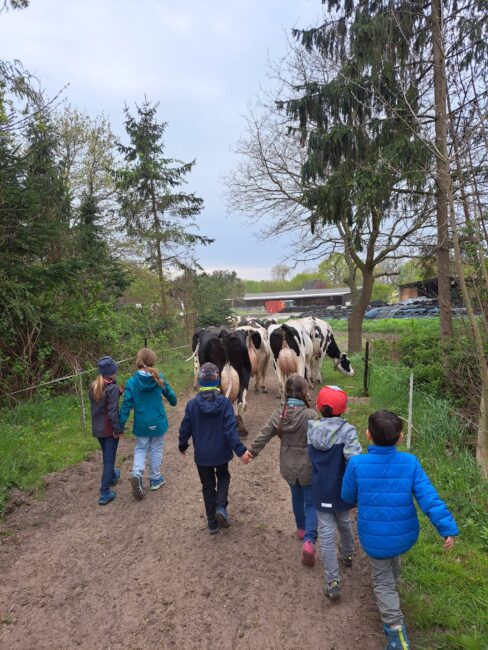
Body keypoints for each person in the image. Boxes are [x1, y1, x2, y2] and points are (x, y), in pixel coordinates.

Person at [341, 410, 458, 650]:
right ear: (400, 438)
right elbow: (428, 496)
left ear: (367, 434)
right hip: (404, 532)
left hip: (373, 535)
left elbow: (347, 496)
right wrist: (446, 527)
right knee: (391, 560)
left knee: (382, 581)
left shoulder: (356, 463)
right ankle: (392, 588)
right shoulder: (410, 462)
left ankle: (396, 633)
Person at [245, 374, 319, 566]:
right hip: (308, 467)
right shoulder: (310, 415)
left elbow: (264, 434)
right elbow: (321, 442)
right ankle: (309, 540)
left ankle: (301, 529)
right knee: (311, 503)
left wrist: (251, 452)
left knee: (296, 497)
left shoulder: (279, 414)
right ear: (304, 393)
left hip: (288, 466)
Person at [178, 362, 250, 534]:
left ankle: (212, 523)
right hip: (221, 453)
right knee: (223, 476)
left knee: (208, 485)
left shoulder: (192, 405)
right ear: (217, 380)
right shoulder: (225, 404)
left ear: (200, 381)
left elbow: (184, 428)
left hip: (202, 456)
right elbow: (231, 430)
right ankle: (220, 506)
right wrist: (240, 451)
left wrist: (182, 445)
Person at [307, 385, 362, 600]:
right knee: (344, 520)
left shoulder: (311, 429)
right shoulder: (348, 431)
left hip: (320, 489)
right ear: (344, 409)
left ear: (319, 407)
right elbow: (355, 459)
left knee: (327, 534)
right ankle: (347, 554)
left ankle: (332, 581)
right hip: (342, 489)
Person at [120, 348, 177, 500]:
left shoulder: (131, 382)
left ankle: (137, 474)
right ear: (153, 361)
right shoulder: (159, 378)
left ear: (138, 361)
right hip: (158, 422)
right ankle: (155, 479)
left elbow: (126, 405)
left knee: (140, 449)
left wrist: (120, 424)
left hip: (141, 424)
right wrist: (173, 401)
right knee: (156, 448)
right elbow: (172, 396)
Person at [88, 355, 123, 506]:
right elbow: (112, 411)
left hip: (98, 430)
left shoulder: (94, 386)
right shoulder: (112, 388)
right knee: (109, 460)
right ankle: (104, 492)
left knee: (106, 456)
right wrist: (117, 429)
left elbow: (103, 404)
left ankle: (113, 476)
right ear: (112, 372)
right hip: (109, 431)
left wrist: (117, 394)